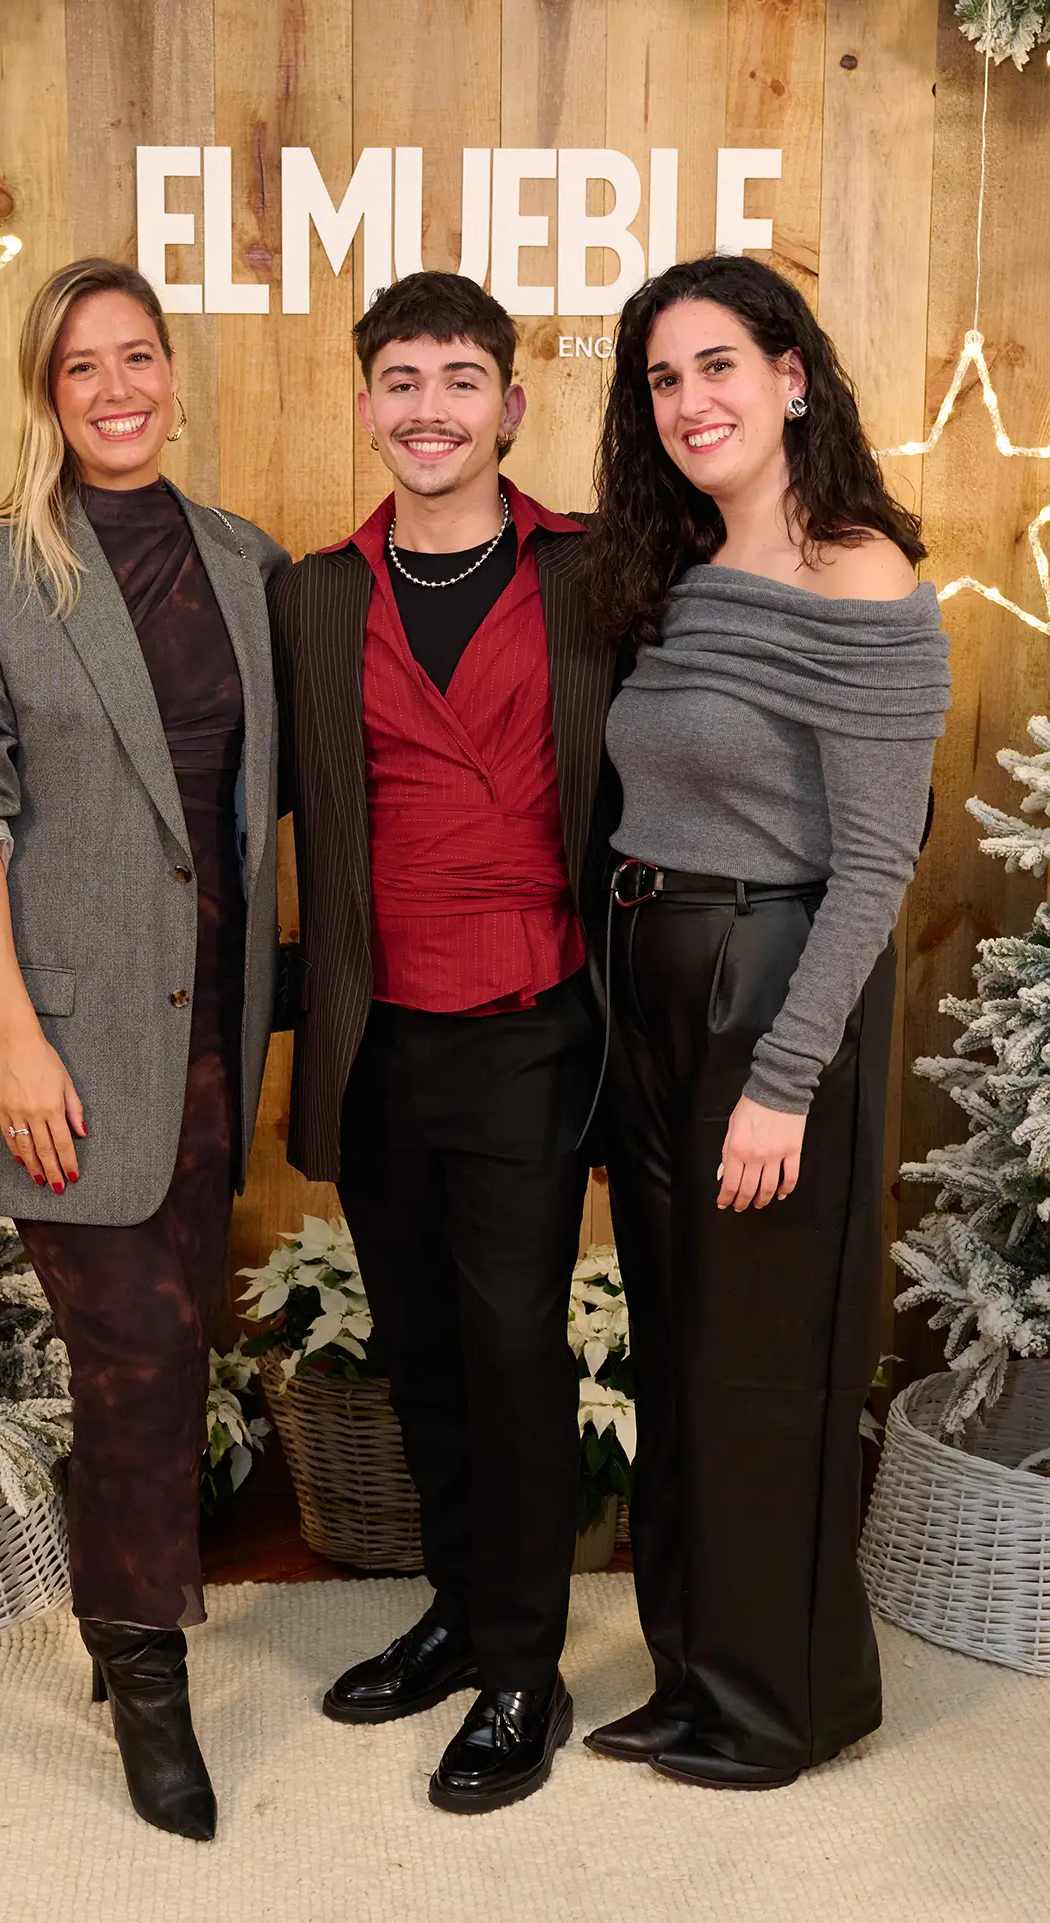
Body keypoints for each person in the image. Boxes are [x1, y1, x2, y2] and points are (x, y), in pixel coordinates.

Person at [0, 257, 290, 1842]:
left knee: (170, 1340)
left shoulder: (248, 563)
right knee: (129, 1353)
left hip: (212, 1027)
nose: (116, 389)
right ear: (43, 393)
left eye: (138, 357)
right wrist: (13, 1037)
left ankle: (124, 1609)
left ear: (175, 372)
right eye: (80, 368)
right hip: (62, 1033)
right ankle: (143, 1668)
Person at [581, 254, 951, 1789]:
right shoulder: (671, 570)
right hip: (651, 972)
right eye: (664, 379)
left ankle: (788, 1703)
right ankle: (693, 1672)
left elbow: (876, 857)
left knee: (765, 1364)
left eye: (718, 365)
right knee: (674, 1346)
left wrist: (784, 1079)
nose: (692, 402)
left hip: (768, 986)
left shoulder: (859, 571)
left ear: (791, 374)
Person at [269, 271, 620, 1815]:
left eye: (460, 380)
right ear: (366, 405)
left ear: (511, 408)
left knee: (510, 1354)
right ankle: (464, 1613)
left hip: (533, 1024)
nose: (429, 409)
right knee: (418, 1349)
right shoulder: (312, 594)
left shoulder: (599, 575)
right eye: (400, 381)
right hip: (372, 1031)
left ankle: (526, 1667)